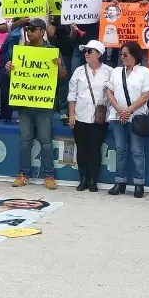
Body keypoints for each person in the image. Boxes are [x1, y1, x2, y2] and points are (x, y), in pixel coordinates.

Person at [8, 18, 66, 190]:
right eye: (27, 29)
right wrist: (9, 69)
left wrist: (59, 66)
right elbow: (14, 79)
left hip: (44, 104)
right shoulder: (21, 51)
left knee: (46, 141)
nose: (29, 32)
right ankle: (23, 174)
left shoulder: (52, 51)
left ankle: (49, 176)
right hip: (25, 104)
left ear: (42, 32)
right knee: (25, 141)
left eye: (33, 29)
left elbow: (63, 76)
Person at [106, 41, 149, 198]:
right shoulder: (116, 71)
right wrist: (120, 110)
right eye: (121, 54)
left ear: (135, 55)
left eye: (125, 54)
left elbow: (146, 94)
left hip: (136, 117)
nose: (123, 57)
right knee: (120, 150)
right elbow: (110, 92)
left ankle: (139, 183)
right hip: (117, 115)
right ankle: (119, 181)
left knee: (137, 151)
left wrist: (129, 110)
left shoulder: (144, 72)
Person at [67, 40, 111, 192]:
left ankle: (93, 179)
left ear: (99, 54)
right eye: (85, 51)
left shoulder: (109, 72)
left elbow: (111, 95)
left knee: (95, 149)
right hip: (81, 115)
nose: (86, 54)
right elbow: (72, 94)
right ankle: (83, 178)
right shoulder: (79, 71)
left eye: (89, 51)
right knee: (82, 149)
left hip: (99, 117)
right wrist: (71, 114)